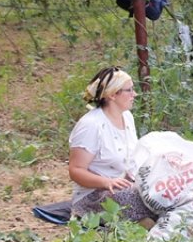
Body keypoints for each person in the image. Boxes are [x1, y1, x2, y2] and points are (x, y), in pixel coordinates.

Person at [67, 66, 157, 226]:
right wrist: (107, 182)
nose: (134, 94)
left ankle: (152, 225)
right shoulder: (91, 125)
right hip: (94, 195)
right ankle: (153, 231)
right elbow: (76, 170)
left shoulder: (127, 117)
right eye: (129, 90)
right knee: (128, 198)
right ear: (113, 95)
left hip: (125, 185)